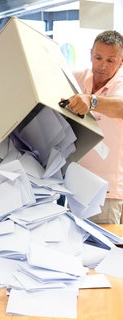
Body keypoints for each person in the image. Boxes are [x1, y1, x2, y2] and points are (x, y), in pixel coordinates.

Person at [64, 30, 123, 224]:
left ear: (121, 61)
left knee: (106, 252)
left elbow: (120, 106)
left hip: (106, 194)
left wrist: (92, 101)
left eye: (110, 60)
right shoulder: (79, 78)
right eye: (98, 58)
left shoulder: (120, 84)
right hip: (76, 188)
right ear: (90, 54)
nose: (102, 66)